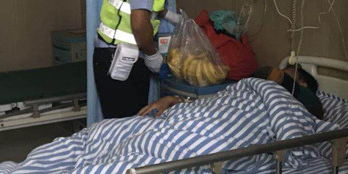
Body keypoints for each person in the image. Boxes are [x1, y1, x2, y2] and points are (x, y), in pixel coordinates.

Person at [138, 64, 325, 119]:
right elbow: (217, 104)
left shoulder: (307, 103)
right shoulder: (251, 90)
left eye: (288, 74)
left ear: (302, 84)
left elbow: (271, 73)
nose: (280, 73)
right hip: (202, 117)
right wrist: (175, 100)